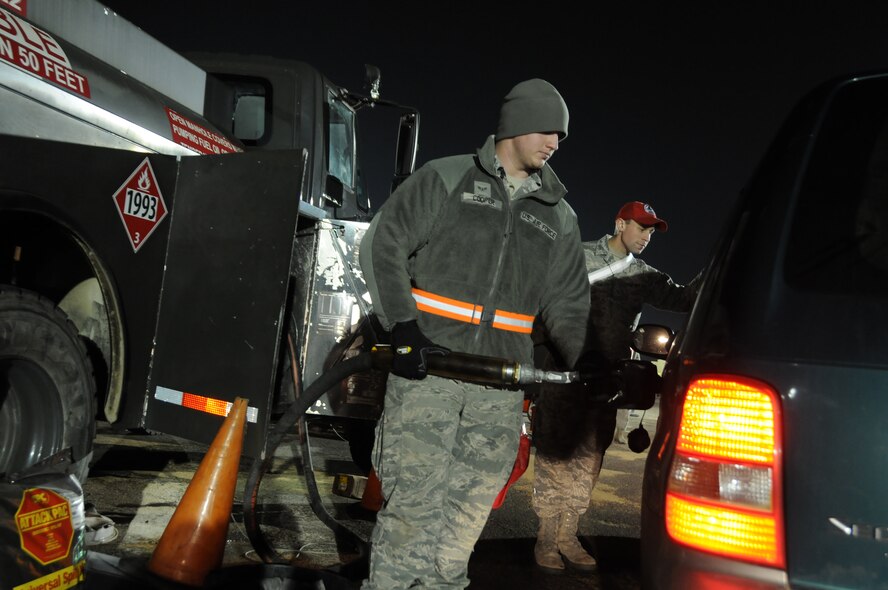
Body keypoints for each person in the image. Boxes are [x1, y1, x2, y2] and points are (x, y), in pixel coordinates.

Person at [358, 79, 597, 589]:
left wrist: (589, 359)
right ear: (513, 125)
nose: (555, 143)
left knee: (464, 525)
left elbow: (569, 303)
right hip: (429, 378)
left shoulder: (560, 216)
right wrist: (401, 325)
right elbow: (384, 245)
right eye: (546, 129)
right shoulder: (446, 179)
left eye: (562, 135)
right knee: (411, 516)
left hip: (499, 395)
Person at [530, 200, 701, 573]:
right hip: (564, 374)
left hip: (605, 381)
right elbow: (540, 301)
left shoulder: (643, 275)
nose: (646, 237)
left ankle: (567, 535)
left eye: (651, 231)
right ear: (620, 223)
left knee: (589, 458)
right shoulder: (577, 256)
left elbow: (685, 298)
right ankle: (545, 537)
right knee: (555, 455)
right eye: (641, 228)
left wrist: (721, 264)